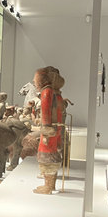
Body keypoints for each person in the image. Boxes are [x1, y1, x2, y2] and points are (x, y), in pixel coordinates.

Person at [33, 67, 64, 195]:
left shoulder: (47, 92)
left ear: (42, 79)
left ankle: (48, 187)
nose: (34, 81)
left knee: (46, 156)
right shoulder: (55, 92)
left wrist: (45, 128)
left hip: (49, 130)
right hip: (55, 129)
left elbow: (46, 112)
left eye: (35, 78)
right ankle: (50, 185)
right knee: (51, 155)